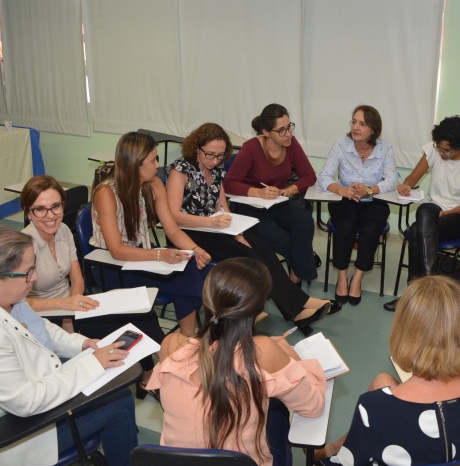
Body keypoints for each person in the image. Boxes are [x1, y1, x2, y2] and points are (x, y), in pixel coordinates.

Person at [0, 225, 137, 466]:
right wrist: (92, 364)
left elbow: (42, 330)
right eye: (28, 272)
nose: (34, 278)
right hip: (11, 433)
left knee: (110, 387)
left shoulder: (1, 298)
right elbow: (27, 403)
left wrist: (83, 345)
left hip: (19, 402)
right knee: (119, 402)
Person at [314, 276, 460, 466]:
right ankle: (331, 450)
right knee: (383, 380)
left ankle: (331, 452)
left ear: (403, 332)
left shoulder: (373, 408)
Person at [146, 258, 327, 466]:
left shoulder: (172, 344)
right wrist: (291, 357)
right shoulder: (263, 352)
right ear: (259, 310)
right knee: (277, 411)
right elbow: (313, 407)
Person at [166, 123, 340, 334]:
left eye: (220, 156)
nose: (215, 160)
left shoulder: (217, 168)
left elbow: (222, 207)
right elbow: (173, 216)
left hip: (216, 227)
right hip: (189, 233)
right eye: (210, 155)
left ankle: (298, 306)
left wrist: (237, 233)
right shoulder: (181, 169)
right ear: (196, 148)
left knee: (263, 247)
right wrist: (211, 223)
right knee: (251, 257)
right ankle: (297, 308)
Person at [20, 175, 165, 394]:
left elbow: (78, 279)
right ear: (28, 212)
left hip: (71, 308)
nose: (50, 216)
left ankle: (153, 371)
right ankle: (169, 371)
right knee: (130, 325)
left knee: (142, 314)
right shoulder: (21, 247)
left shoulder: (64, 231)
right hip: (45, 318)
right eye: (40, 209)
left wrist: (72, 308)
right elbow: (18, 304)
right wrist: (66, 310)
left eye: (56, 207)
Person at [91, 131, 212, 337]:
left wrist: (196, 249)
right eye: (152, 160)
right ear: (134, 164)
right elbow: (117, 250)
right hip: (112, 267)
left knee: (192, 264)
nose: (158, 165)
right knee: (187, 275)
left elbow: (172, 229)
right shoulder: (106, 193)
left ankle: (187, 338)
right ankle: (205, 327)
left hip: (141, 257)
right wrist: (159, 255)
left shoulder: (154, 184)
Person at [384, 115, 460, 311]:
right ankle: (428, 285)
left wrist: (450, 211)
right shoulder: (434, 150)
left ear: (459, 145)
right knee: (424, 209)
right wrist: (407, 185)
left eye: (446, 150)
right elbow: (414, 176)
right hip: (434, 210)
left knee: (416, 232)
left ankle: (412, 294)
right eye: (438, 148)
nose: (440, 153)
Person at [224, 103, 318, 285]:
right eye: (281, 130)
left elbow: (309, 175)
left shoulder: (291, 144)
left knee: (305, 221)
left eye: (289, 127)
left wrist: (289, 190)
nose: (288, 133)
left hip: (276, 201)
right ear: (266, 132)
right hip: (248, 204)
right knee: (278, 237)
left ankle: (295, 276)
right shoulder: (251, 148)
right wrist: (258, 192)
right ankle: (299, 271)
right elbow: (229, 183)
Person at [318, 105, 397, 305]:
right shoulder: (340, 145)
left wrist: (369, 190)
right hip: (345, 199)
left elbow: (391, 181)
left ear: (373, 129)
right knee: (345, 226)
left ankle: (358, 277)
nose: (355, 127)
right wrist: (343, 191)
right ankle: (342, 276)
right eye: (354, 121)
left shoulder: (385, 148)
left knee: (371, 228)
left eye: (362, 123)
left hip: (374, 201)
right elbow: (325, 177)